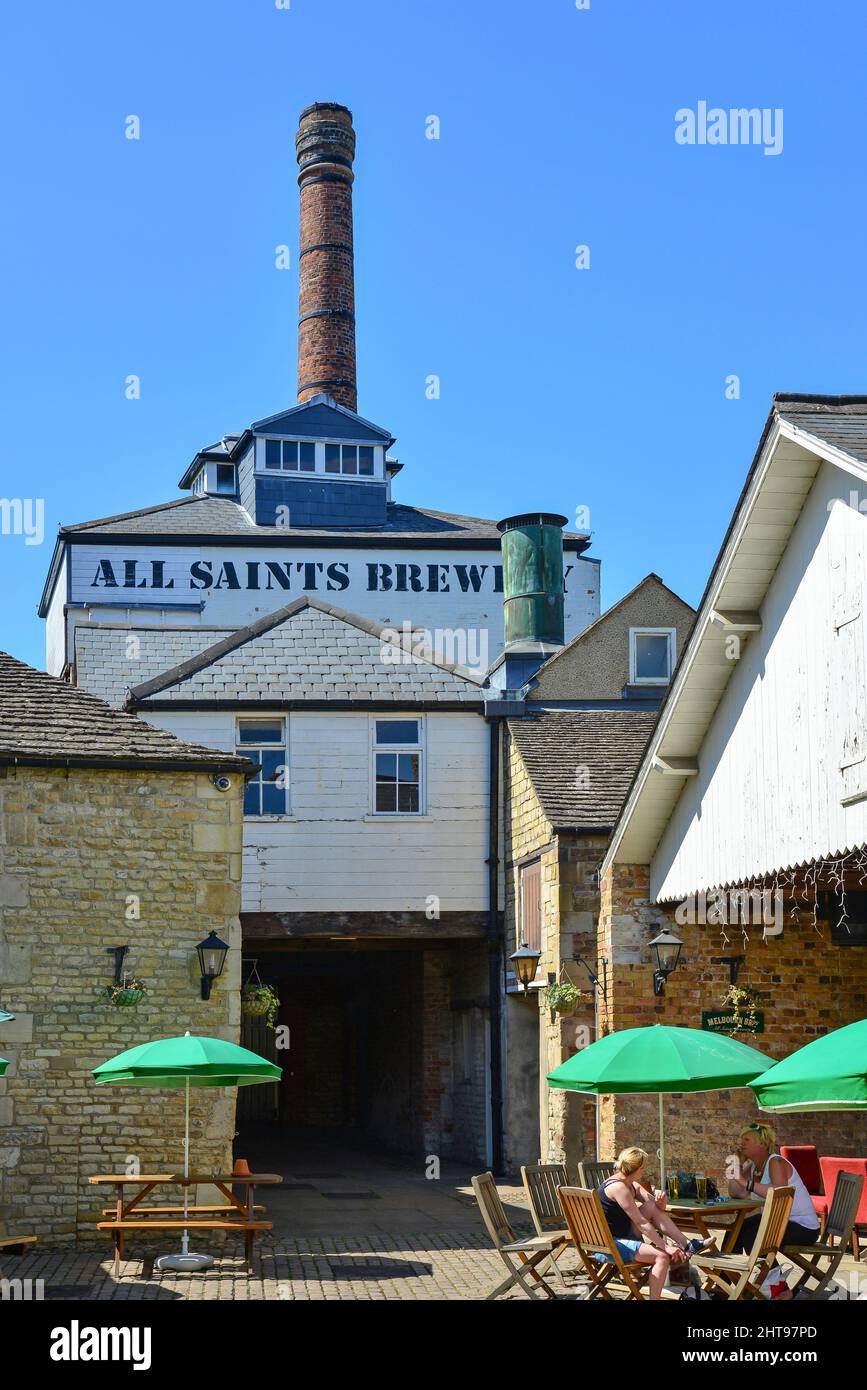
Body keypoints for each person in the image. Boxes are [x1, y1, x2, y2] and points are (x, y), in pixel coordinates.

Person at [597, 1147, 712, 1301]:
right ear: (637, 1168)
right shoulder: (618, 1188)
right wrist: (665, 1247)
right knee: (662, 1256)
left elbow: (656, 1209)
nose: (644, 1170)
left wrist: (660, 1202)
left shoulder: (631, 1184)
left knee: (651, 1207)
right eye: (643, 1167)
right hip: (611, 1245)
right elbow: (641, 1222)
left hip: (623, 1235)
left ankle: (687, 1244)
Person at [728, 1122, 820, 1297]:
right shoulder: (755, 1165)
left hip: (803, 1228)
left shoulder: (776, 1162)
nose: (741, 1143)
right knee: (737, 1229)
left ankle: (780, 1289)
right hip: (779, 1222)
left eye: (746, 1139)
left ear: (762, 1144)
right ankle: (723, 1284)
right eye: (741, 1139)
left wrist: (747, 1183)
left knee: (753, 1234)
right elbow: (735, 1191)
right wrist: (738, 1164)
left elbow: (779, 1194)